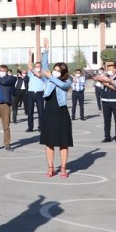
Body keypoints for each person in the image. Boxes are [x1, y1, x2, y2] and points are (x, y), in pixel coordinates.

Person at [30, 45, 74, 177]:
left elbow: (62, 85)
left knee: (63, 142)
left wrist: (51, 77)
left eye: (58, 70)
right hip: (48, 113)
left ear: (63, 72)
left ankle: (64, 168)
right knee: (48, 142)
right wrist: (46, 51)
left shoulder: (67, 80)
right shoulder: (47, 78)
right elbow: (44, 68)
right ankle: (50, 167)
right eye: (54, 69)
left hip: (61, 113)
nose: (54, 72)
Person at [95, 60, 116, 143]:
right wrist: (100, 81)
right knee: (106, 120)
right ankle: (107, 136)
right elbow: (101, 88)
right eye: (108, 69)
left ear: (115, 69)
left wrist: (106, 82)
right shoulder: (105, 77)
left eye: (110, 69)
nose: (108, 70)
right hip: (105, 100)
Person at [25, 55, 46, 132]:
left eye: (39, 66)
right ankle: (30, 127)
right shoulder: (30, 73)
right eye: (36, 66)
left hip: (39, 94)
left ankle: (41, 126)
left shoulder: (42, 73)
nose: (37, 67)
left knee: (41, 111)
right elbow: (29, 65)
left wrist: (33, 69)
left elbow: (39, 75)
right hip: (31, 94)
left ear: (41, 67)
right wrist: (30, 55)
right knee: (30, 111)